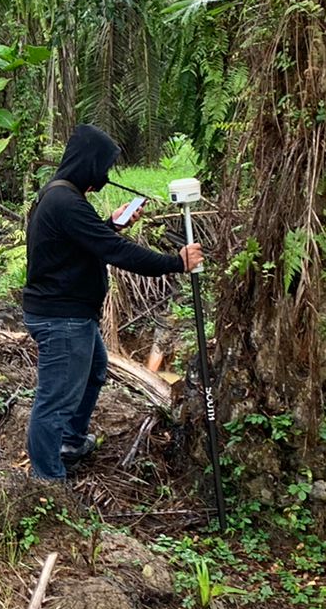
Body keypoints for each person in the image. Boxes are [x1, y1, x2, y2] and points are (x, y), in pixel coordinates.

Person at [23, 124, 203, 482]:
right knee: (55, 398)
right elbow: (115, 252)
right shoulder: (66, 202)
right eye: (103, 166)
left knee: (94, 371)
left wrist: (111, 224)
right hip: (62, 318)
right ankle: (46, 479)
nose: (105, 175)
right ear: (88, 162)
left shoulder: (62, 196)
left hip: (72, 314)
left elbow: (85, 242)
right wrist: (175, 263)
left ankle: (72, 441)